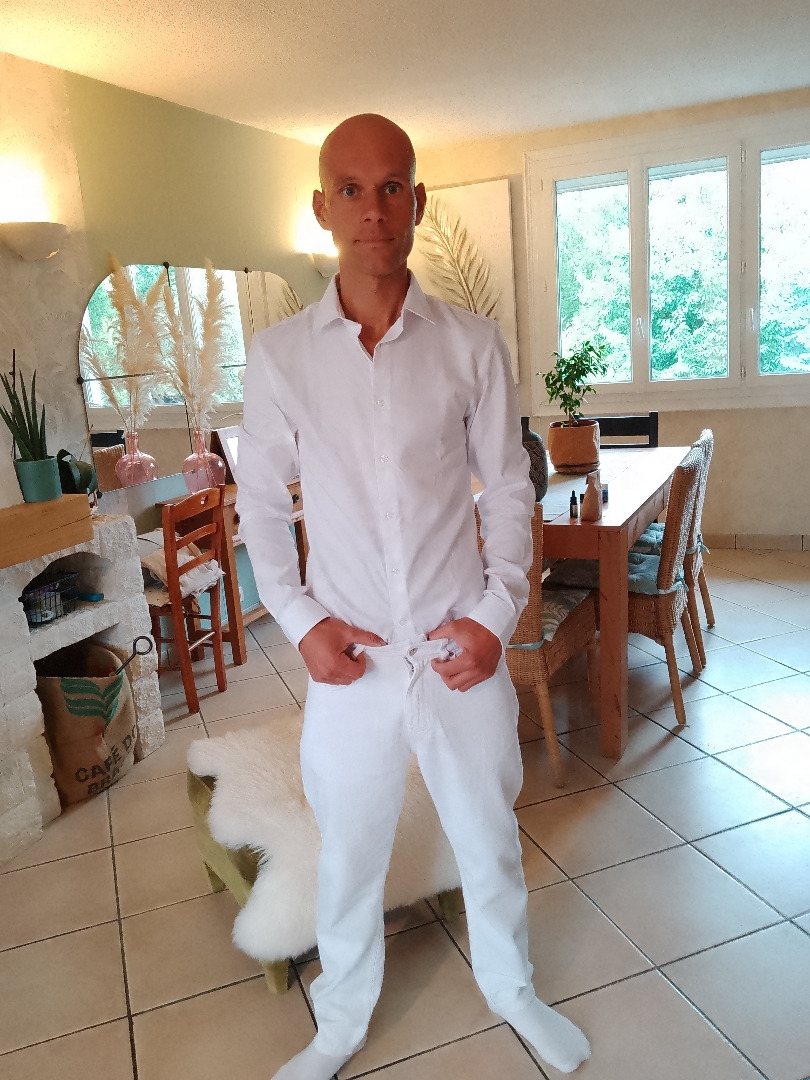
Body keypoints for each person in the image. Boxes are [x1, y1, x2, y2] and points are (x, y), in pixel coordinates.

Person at [236, 113, 591, 1080]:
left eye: (391, 185)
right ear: (322, 208)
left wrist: (496, 615)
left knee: (488, 832)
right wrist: (301, 624)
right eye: (351, 189)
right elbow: (259, 507)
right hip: (349, 660)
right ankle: (340, 1024)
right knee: (350, 849)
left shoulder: (471, 345)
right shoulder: (280, 358)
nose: (373, 209)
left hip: (457, 648)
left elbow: (509, 487)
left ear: (418, 200)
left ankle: (512, 989)